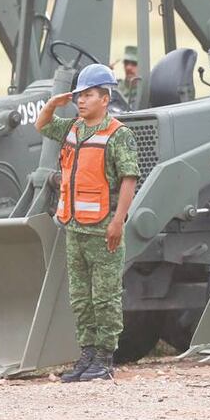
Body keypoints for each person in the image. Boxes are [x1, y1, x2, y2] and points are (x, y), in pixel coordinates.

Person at [35, 63, 140, 382]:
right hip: (75, 229)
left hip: (103, 230)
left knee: (105, 296)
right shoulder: (72, 128)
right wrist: (54, 103)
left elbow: (129, 179)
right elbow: (42, 126)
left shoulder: (118, 134)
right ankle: (87, 356)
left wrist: (118, 221)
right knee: (80, 298)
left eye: (89, 95)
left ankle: (105, 359)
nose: (81, 101)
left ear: (105, 99)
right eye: (79, 95)